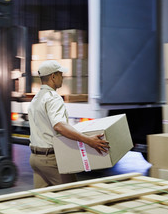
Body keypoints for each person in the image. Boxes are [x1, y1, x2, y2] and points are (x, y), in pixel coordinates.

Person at [28, 60, 110, 188]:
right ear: (53, 77)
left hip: (35, 158)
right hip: (50, 160)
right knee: (72, 196)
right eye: (60, 74)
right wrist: (89, 141)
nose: (63, 77)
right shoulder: (53, 97)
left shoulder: (36, 98)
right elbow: (59, 126)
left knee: (45, 201)